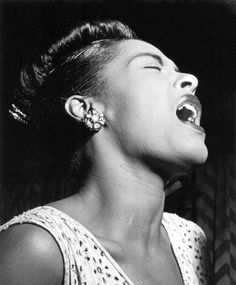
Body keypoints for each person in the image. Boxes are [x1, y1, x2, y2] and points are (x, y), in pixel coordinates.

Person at [0, 20, 209, 285]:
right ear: (87, 109)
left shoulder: (192, 242)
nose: (191, 80)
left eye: (177, 70)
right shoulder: (38, 249)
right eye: (153, 67)